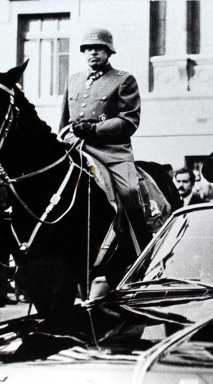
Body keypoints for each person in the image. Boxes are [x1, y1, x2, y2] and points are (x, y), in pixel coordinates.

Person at [59, 28, 149, 246]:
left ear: (109, 52)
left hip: (111, 150)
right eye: (88, 49)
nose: (93, 53)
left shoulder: (123, 80)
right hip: (74, 145)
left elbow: (129, 121)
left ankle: (139, 242)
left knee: (129, 190)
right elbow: (63, 119)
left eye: (98, 48)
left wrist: (94, 130)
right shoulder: (74, 79)